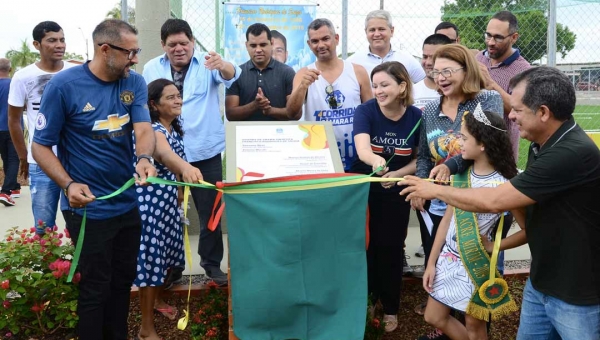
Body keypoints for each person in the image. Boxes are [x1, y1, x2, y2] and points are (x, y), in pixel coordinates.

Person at [400, 66, 600, 339]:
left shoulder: (571, 153)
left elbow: (495, 200)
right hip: (543, 281)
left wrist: (433, 190)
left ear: (543, 112)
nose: (512, 116)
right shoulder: (543, 146)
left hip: (575, 293)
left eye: (517, 110)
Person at [31, 19, 157, 340]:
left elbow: (143, 129)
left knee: (122, 280)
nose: (135, 59)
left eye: (136, 51)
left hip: (126, 204)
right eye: (131, 52)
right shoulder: (64, 86)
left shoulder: (134, 83)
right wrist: (68, 184)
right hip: (88, 209)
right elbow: (40, 145)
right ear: (105, 50)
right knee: (95, 286)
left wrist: (144, 158)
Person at [143, 19, 241, 286]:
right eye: (172, 44)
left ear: (193, 42)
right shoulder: (151, 68)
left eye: (184, 43)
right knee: (166, 212)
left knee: (210, 211)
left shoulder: (208, 63)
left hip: (204, 151)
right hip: (164, 152)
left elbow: (234, 74)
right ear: (163, 45)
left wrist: (224, 65)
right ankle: (170, 269)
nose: (179, 48)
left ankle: (211, 266)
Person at [412, 44, 503, 332]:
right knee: (442, 279)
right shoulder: (429, 110)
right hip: (438, 205)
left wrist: (449, 168)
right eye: (436, 72)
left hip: (479, 204)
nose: (440, 77)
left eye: (447, 71)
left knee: (477, 296)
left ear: (467, 70)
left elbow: (485, 145)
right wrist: (423, 188)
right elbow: (425, 156)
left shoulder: (486, 100)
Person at [422, 105, 525, 340]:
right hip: (448, 260)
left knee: (474, 325)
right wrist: (431, 263)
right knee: (433, 316)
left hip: (475, 263)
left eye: (464, 138)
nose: (458, 143)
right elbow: (447, 221)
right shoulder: (461, 175)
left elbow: (528, 231)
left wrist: (494, 247)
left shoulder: (506, 185)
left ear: (483, 144)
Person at [351, 61, 422, 333]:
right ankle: (370, 300)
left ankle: (391, 307)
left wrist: (398, 175)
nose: (378, 91)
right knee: (368, 247)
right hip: (367, 187)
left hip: (397, 189)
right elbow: (362, 149)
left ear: (402, 86)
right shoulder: (365, 110)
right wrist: (376, 162)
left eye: (385, 85)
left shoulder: (416, 117)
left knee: (392, 248)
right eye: (375, 85)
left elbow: (420, 159)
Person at [135, 78, 203, 340]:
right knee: (151, 265)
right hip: (150, 206)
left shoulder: (172, 128)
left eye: (178, 96)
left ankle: (155, 303)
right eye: (170, 98)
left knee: (162, 262)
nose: (178, 101)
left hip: (167, 206)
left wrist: (178, 199)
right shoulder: (153, 130)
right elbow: (163, 155)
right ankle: (145, 329)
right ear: (153, 104)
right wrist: (185, 169)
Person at [7, 21, 76, 228]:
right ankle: (47, 260)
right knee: (44, 226)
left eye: (62, 40)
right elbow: (14, 119)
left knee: (79, 221)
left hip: (75, 158)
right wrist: (23, 156)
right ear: (37, 45)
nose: (59, 45)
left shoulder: (76, 72)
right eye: (52, 40)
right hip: (41, 162)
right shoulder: (22, 77)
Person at [286, 18, 372, 171]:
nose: (320, 45)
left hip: (358, 156)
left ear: (336, 39)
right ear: (309, 44)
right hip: (319, 158)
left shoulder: (357, 71)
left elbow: (371, 114)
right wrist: (302, 87)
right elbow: (292, 113)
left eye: (325, 39)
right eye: (315, 41)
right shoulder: (303, 74)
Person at [475, 11, 531, 161]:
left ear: (514, 38)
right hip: (471, 147)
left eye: (498, 37)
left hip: (501, 154)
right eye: (488, 35)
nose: (491, 42)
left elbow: (519, 111)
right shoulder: (479, 58)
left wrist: (490, 84)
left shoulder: (523, 70)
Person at [225, 23, 295, 121]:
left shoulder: (287, 72)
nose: (258, 50)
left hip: (280, 135)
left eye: (263, 45)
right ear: (246, 45)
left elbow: (295, 114)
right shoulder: (236, 74)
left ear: (271, 43)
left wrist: (270, 110)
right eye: (253, 46)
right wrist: (254, 105)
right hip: (245, 135)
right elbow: (230, 114)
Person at [347, 10, 425, 83]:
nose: (377, 34)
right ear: (366, 32)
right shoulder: (353, 62)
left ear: (391, 31)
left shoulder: (406, 60)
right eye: (372, 30)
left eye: (381, 29)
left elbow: (424, 83)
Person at [413, 34, 453, 111]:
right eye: (425, 57)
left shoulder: (457, 92)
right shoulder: (412, 92)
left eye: (434, 57)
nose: (428, 62)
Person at [0, 58, 19, 207]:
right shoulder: (14, 84)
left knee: (6, 158)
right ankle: (6, 191)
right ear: (10, 70)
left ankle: (14, 187)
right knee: (14, 159)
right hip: (13, 128)